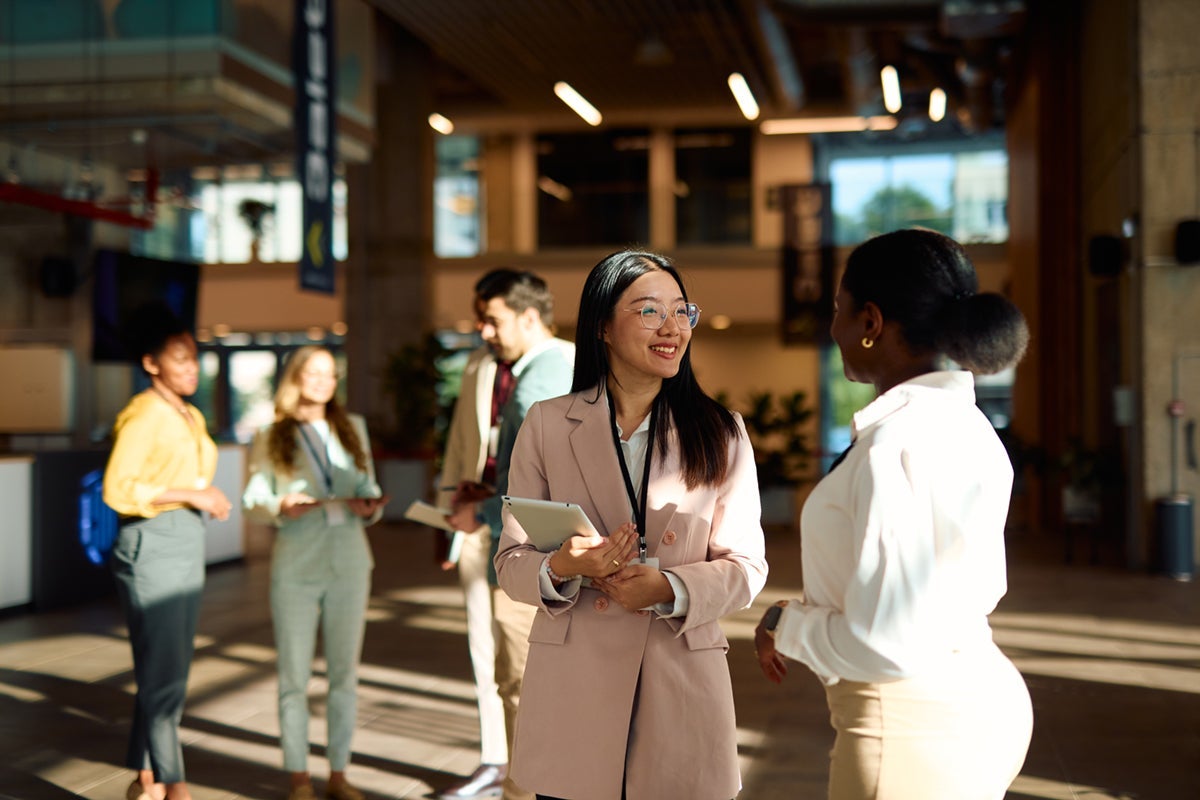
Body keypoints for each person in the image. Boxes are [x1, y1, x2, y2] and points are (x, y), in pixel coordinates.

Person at [753, 228, 1034, 800]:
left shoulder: (895, 445)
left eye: (839, 310)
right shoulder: (970, 427)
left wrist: (787, 625)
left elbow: (886, 641)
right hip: (975, 697)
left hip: (907, 726)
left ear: (871, 323)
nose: (833, 329)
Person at [494, 250, 769, 800]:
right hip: (576, 687)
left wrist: (671, 587)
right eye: (649, 311)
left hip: (678, 677)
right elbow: (510, 563)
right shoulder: (548, 424)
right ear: (602, 326)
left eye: (681, 311)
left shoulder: (721, 432)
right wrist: (564, 565)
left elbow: (747, 566)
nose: (672, 328)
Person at [439, 269, 573, 800]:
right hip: (527, 547)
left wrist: (486, 512)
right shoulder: (527, 368)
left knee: (520, 684)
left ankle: (523, 789)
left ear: (528, 316)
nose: (482, 331)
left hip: (533, 554)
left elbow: (544, 485)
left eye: (491, 320)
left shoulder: (545, 376)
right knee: (514, 679)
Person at [242, 346, 389, 800]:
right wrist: (280, 505)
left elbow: (369, 488)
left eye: (330, 373)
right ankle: (298, 776)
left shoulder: (352, 429)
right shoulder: (270, 433)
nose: (324, 381)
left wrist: (370, 504)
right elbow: (253, 500)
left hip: (349, 561)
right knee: (294, 676)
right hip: (296, 565)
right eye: (314, 372)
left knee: (345, 674)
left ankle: (339, 773)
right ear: (296, 378)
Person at [103, 302, 232, 800]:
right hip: (152, 544)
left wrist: (200, 495)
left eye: (194, 359)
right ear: (150, 363)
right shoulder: (144, 413)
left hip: (181, 541)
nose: (191, 368)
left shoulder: (188, 411)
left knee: (165, 667)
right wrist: (193, 494)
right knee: (165, 675)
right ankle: (175, 785)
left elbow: (183, 476)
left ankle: (145, 779)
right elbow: (119, 487)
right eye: (178, 359)